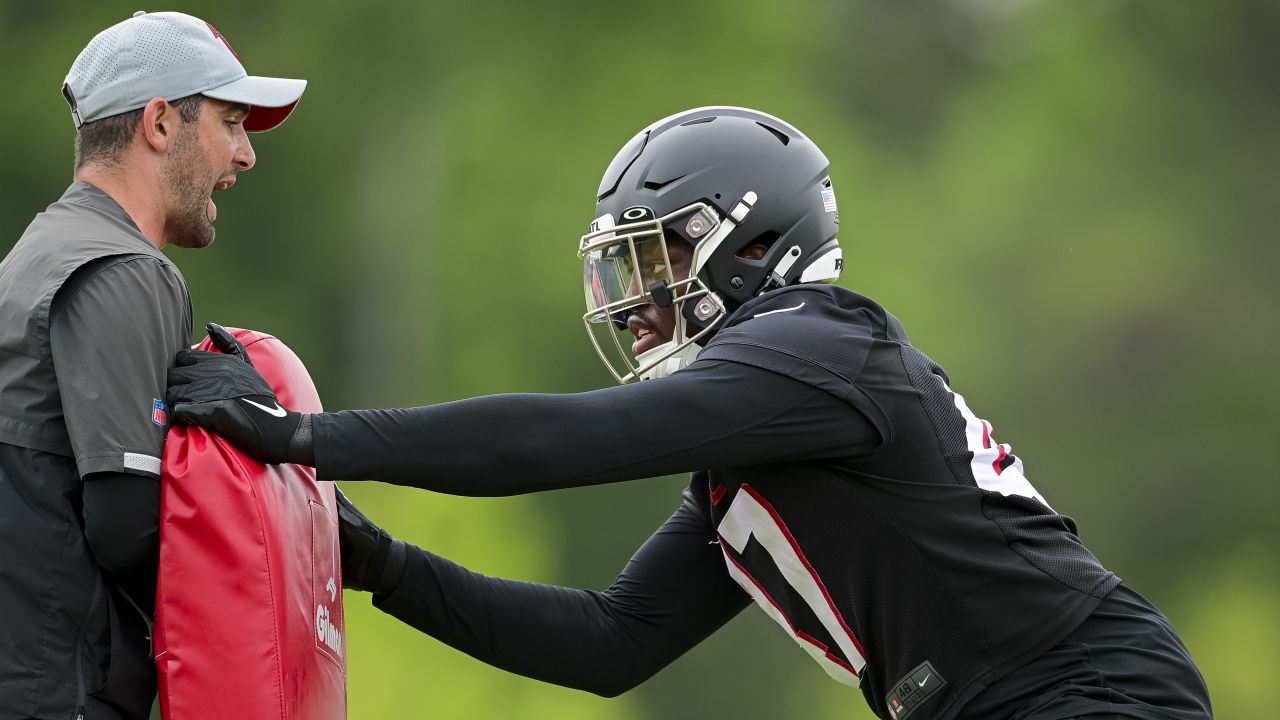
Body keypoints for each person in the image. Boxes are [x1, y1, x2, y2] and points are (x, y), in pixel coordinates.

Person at [167, 107, 1211, 719]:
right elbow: (607, 644)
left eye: (659, 257)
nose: (639, 295)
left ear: (753, 246)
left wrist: (309, 436)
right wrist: (379, 562)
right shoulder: (756, 444)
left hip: (1088, 693)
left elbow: (571, 439)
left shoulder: (820, 342)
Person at [0, 12, 305, 719]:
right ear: (161, 123)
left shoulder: (37, 252)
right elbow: (128, 526)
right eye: (231, 121)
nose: (246, 155)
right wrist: (269, 489)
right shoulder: (125, 268)